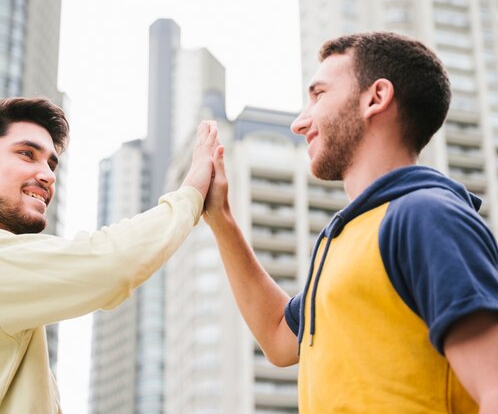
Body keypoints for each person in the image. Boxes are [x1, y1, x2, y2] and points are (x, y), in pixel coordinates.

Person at [203, 32, 498, 413]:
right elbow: (279, 335)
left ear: (376, 97)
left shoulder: (425, 216)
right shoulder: (346, 238)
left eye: (319, 94)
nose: (299, 122)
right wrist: (220, 219)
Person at [0, 97, 220, 413]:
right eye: (26, 154)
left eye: (52, 164)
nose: (48, 175)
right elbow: (109, 262)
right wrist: (190, 193)